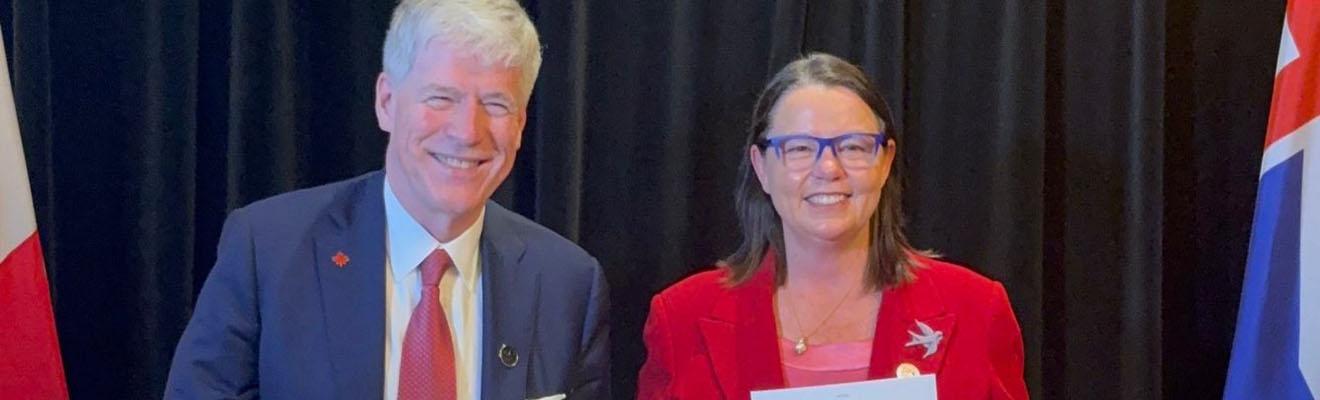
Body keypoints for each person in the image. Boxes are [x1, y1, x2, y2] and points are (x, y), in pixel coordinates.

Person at [165, 1, 610, 399]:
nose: (466, 131)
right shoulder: (269, 252)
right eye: (442, 97)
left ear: (520, 124)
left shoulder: (568, 285)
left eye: (495, 104)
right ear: (386, 102)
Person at [636, 53, 1027, 399]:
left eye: (853, 147)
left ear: (885, 162)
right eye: (800, 148)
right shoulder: (680, 318)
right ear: (761, 167)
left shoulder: (977, 309)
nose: (828, 168)